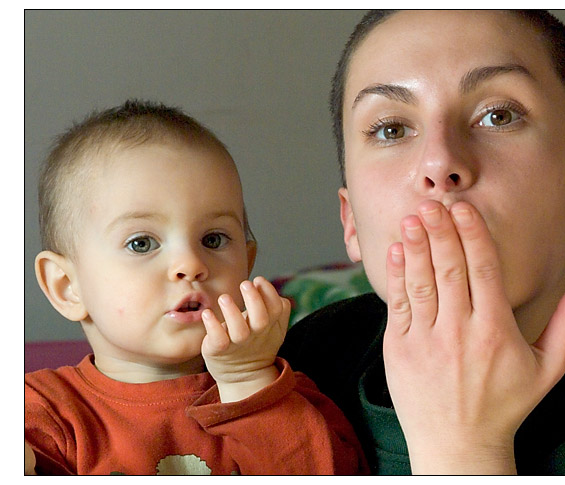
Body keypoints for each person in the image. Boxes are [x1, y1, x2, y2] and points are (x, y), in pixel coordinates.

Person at [279, 10, 565, 475]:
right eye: (391, 129)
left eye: (498, 116)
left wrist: (463, 447)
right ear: (351, 222)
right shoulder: (293, 374)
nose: (439, 163)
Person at [25, 100, 367, 475]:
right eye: (142, 243)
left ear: (247, 264)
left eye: (213, 240)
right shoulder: (43, 413)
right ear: (67, 287)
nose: (190, 264)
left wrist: (247, 380)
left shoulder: (286, 398)